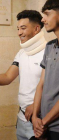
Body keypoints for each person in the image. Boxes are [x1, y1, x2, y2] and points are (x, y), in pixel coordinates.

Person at [0, 10, 46, 140]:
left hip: (40, 119)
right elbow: (7, 77)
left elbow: (54, 87)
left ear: (36, 29)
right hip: (22, 118)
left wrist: (35, 105)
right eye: (18, 29)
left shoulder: (49, 52)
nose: (19, 33)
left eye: (23, 28)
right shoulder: (21, 53)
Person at [32, 0, 59, 140]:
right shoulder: (50, 46)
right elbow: (41, 85)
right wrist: (35, 117)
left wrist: (43, 122)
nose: (43, 19)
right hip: (43, 124)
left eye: (47, 14)